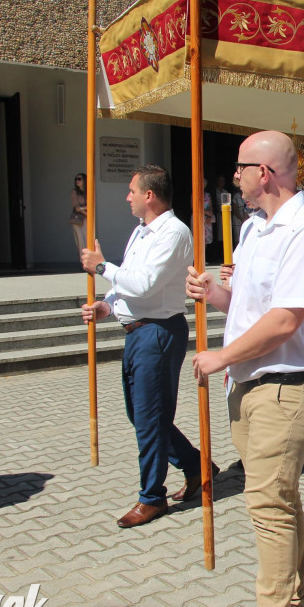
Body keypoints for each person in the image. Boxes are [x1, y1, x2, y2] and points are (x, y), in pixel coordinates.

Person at [186, 131, 304, 607]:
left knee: (266, 503)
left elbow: (286, 319)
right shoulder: (256, 229)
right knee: (280, 498)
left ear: (265, 173)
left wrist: (220, 357)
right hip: (252, 384)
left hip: (285, 386)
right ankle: (289, 600)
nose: (235, 176)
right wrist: (216, 292)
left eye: (240, 167)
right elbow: (251, 308)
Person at [79, 165, 206, 528]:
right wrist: (106, 305)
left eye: (132, 191)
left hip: (158, 332)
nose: (127, 197)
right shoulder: (141, 232)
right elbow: (127, 284)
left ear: (149, 195)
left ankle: (152, 496)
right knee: (142, 415)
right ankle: (196, 466)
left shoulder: (174, 232)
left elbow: (146, 284)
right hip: (136, 331)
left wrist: (102, 265)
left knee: (150, 418)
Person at [69, 172, 88, 254]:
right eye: (76, 179)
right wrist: (86, 211)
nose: (77, 181)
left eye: (79, 179)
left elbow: (93, 205)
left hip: (87, 219)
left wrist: (84, 210)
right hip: (78, 219)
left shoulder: (88, 191)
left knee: (88, 239)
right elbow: (76, 207)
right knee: (80, 240)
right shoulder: (74, 192)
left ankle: (88, 260)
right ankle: (82, 261)